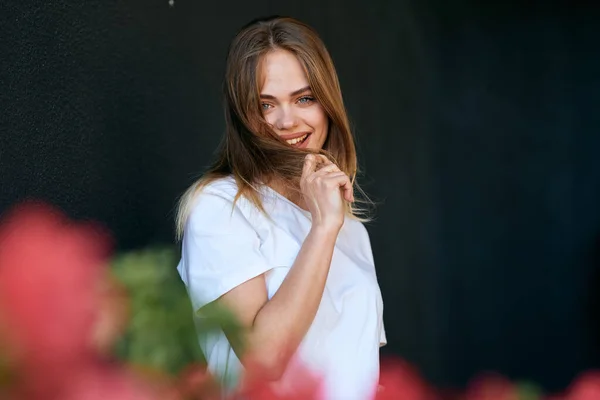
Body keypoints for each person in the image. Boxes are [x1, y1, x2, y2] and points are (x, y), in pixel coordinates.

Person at [175, 16, 386, 399]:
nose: (287, 121)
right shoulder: (220, 208)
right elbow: (263, 359)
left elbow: (352, 363)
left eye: (304, 98)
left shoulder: (348, 226)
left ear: (328, 104)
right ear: (243, 115)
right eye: (266, 104)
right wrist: (322, 230)